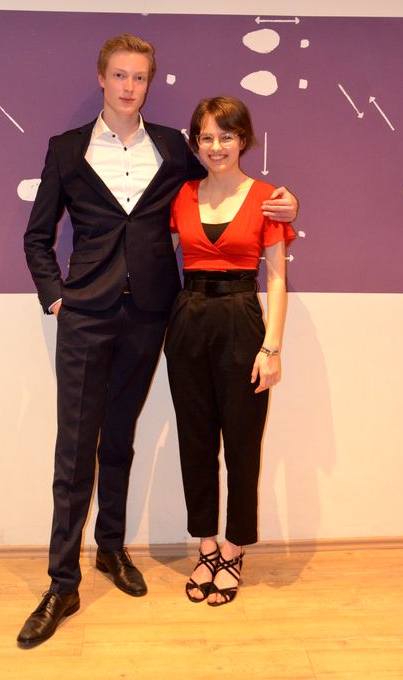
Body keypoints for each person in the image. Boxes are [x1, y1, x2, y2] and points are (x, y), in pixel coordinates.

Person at [18, 35, 298, 647]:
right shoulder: (66, 149)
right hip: (85, 317)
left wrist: (287, 201)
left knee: (120, 438)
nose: (129, 87)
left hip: (151, 317)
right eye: (119, 75)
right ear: (101, 78)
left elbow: (229, 185)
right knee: (75, 449)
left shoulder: (174, 147)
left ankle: (110, 548)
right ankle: (62, 582)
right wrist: (57, 297)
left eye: (139, 77)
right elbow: (37, 236)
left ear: (149, 82)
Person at [164, 96, 295, 606]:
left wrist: (272, 347)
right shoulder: (181, 195)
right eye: (206, 137)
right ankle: (205, 545)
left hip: (242, 321)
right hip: (188, 321)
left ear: (243, 139)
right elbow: (158, 258)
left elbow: (277, 279)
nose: (216, 146)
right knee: (195, 442)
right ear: (196, 143)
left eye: (226, 136)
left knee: (242, 444)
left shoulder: (267, 199)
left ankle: (235, 547)